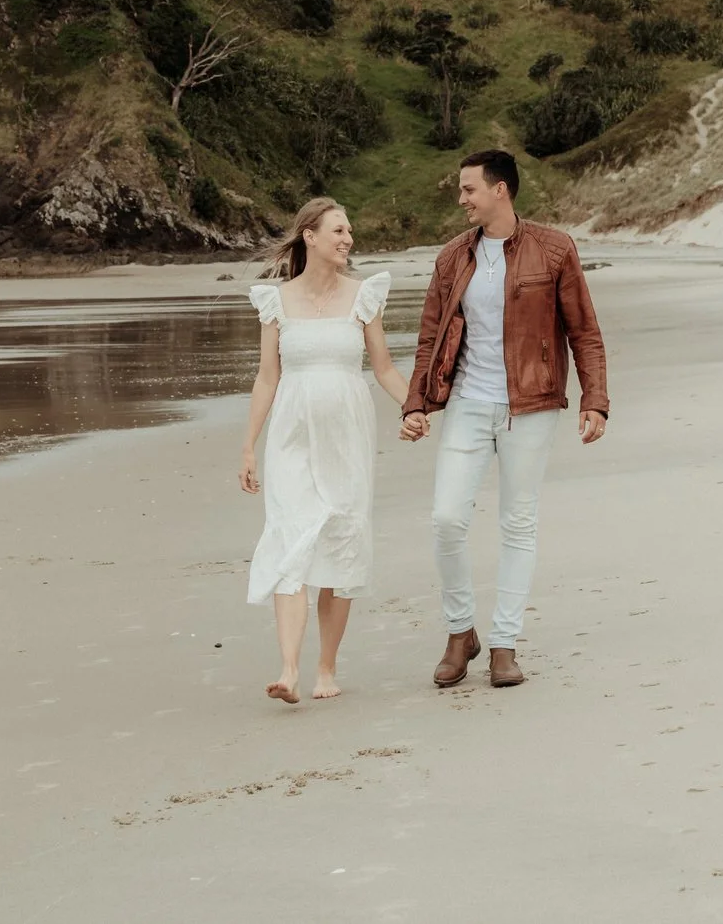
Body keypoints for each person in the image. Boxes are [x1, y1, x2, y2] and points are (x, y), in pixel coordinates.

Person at [399, 149, 609, 689]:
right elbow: (430, 335)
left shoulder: (555, 249)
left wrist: (594, 398)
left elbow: (582, 329)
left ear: (500, 191)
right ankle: (459, 632)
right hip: (468, 401)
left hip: (532, 405)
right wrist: (417, 403)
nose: (461, 198)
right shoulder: (452, 257)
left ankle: (504, 644)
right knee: (447, 519)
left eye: (469, 189)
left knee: (518, 523)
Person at [239, 197, 415, 704]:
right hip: (292, 436)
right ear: (309, 236)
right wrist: (249, 446)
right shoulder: (276, 302)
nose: (348, 239)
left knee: (340, 537)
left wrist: (414, 408)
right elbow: (267, 378)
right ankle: (289, 669)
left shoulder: (364, 297)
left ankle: (325, 667)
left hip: (346, 437)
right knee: (290, 537)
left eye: (350, 231)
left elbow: (382, 368)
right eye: (338, 230)